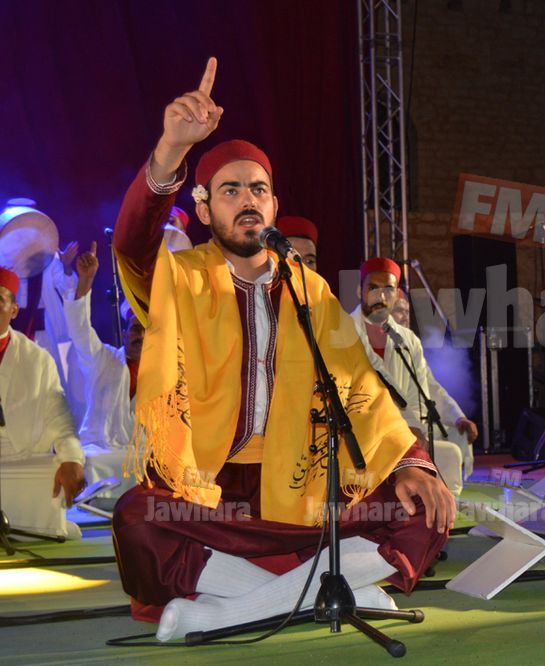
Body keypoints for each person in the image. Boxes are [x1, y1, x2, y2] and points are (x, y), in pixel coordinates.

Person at [110, 58, 453, 641]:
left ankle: (228, 609)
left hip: (302, 495)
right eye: (230, 190)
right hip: (210, 498)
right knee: (137, 518)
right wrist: (170, 151)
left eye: (259, 189)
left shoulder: (310, 290)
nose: (247, 199)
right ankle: (323, 592)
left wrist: (411, 463)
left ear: (273, 207)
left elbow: (362, 391)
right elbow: (133, 244)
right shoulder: (178, 278)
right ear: (204, 209)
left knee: (426, 502)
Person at [349, 258, 477, 498]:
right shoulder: (344, 331)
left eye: (388, 289)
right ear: (360, 291)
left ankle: (443, 507)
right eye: (373, 288)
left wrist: (423, 426)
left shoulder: (407, 339)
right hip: (363, 431)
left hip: (405, 425)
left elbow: (422, 391)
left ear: (396, 294)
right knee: (449, 454)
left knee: (455, 441)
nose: (380, 296)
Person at [0, 266, 85, 538]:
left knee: (54, 468)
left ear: (14, 310)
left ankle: (39, 529)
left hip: (21, 458)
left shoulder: (37, 359)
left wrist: (72, 458)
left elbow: (59, 416)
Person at [62, 242, 141, 501]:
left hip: (141, 451)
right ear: (125, 333)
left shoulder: (164, 371)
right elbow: (80, 330)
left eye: (145, 330)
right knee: (90, 462)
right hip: (100, 446)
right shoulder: (104, 358)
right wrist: (85, 281)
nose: (139, 335)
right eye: (134, 329)